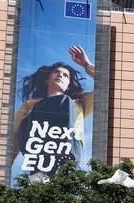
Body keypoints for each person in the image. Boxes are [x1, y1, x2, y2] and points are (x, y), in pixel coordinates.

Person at [13, 45, 94, 179]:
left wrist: (87, 65)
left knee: (60, 188)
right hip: (38, 145)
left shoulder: (80, 104)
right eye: (56, 72)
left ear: (69, 84)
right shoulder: (30, 104)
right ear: (47, 78)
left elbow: (105, 86)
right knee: (39, 183)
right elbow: (14, 136)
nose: (60, 75)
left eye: (65, 75)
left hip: (67, 148)